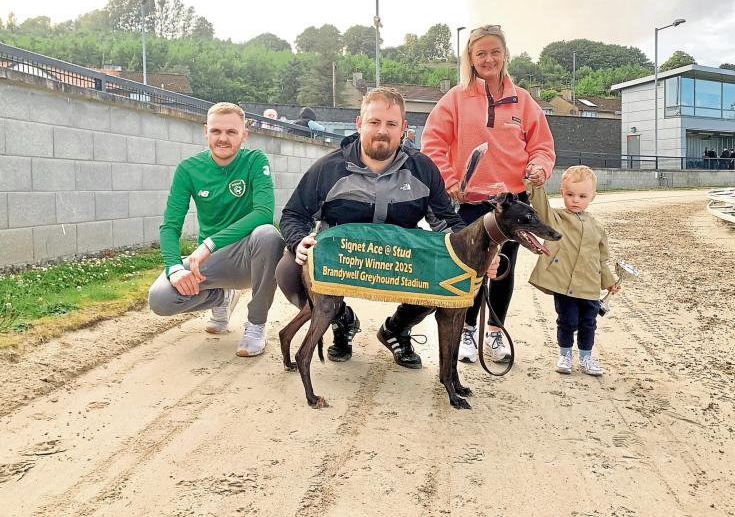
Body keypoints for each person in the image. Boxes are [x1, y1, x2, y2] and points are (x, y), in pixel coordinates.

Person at [277, 87, 472, 367]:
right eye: (374, 122)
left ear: (403, 128)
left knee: (443, 269)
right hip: (343, 258)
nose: (382, 131)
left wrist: (472, 255)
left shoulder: (422, 168)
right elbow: (294, 214)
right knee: (288, 270)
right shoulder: (329, 168)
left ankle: (397, 328)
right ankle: (340, 319)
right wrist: (298, 242)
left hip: (399, 261)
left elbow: (446, 222)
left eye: (391, 124)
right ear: (359, 124)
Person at [421, 24, 556, 363]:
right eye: (480, 53)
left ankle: (495, 333)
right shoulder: (455, 98)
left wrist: (540, 167)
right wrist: (450, 179)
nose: (488, 58)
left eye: (495, 51)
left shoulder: (523, 100)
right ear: (470, 57)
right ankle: (466, 329)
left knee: (503, 267)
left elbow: (541, 146)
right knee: (471, 268)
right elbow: (433, 143)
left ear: (505, 55)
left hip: (511, 203)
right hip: (469, 203)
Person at [148, 102, 285, 357]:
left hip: (248, 257)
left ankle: (256, 325)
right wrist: (174, 267)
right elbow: (170, 226)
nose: (223, 138)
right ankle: (220, 297)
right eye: (216, 131)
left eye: (231, 132)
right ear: (206, 132)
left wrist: (208, 244)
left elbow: (264, 213)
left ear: (244, 135)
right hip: (210, 264)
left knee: (269, 235)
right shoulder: (188, 169)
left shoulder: (255, 161)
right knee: (160, 299)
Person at [528, 166, 619, 376]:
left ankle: (586, 357)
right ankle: (565, 354)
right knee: (567, 321)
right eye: (570, 194)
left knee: (589, 323)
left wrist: (609, 282)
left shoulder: (597, 227)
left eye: (582, 196)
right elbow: (541, 207)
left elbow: (601, 259)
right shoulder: (556, 219)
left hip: (589, 286)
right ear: (562, 192)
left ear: (593, 196)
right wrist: (536, 185)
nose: (575, 200)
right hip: (564, 284)